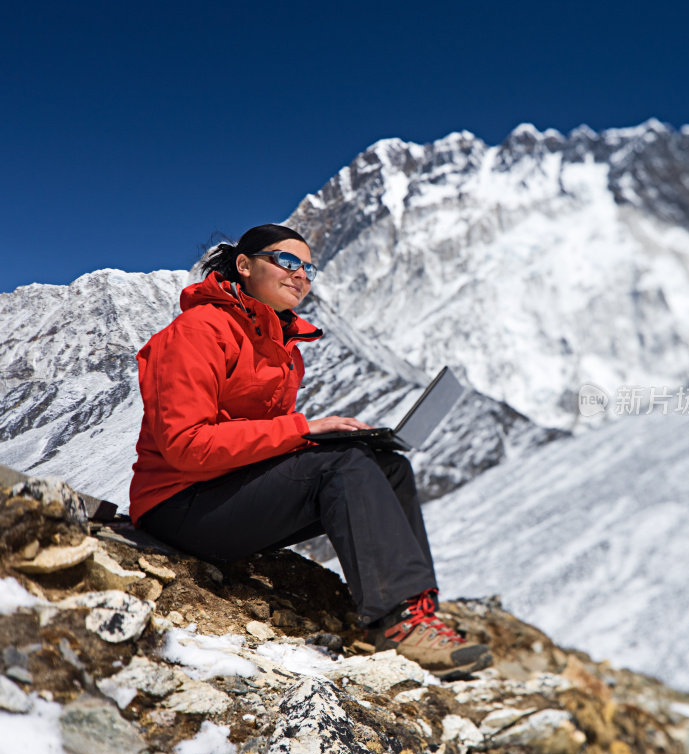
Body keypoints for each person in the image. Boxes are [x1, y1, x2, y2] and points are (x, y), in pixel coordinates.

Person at [129, 223, 491, 678]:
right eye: (286, 261)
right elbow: (187, 446)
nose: (301, 274)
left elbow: (256, 441)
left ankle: (418, 613)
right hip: (177, 506)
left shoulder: (284, 349)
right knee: (343, 465)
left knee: (388, 465)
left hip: (227, 493)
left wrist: (313, 438)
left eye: (309, 268)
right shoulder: (197, 331)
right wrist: (302, 431)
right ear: (244, 266)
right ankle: (399, 625)